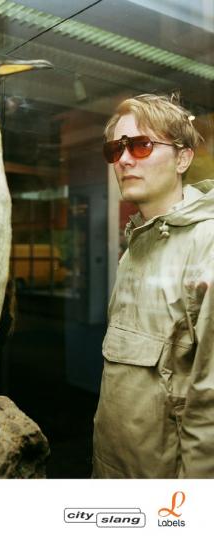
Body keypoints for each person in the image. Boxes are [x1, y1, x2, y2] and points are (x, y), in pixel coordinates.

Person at [93, 93, 214, 478]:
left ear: (182, 159)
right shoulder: (136, 246)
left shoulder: (206, 246)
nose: (124, 160)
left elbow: (209, 407)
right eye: (116, 149)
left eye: (141, 145)